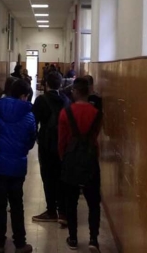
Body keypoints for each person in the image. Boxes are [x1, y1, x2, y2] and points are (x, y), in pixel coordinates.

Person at [0, 79, 36, 253]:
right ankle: (20, 243)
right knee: (17, 205)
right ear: (24, 96)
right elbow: (31, 141)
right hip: (17, 166)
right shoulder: (29, 116)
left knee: (0, 204)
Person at [59, 78, 103, 253]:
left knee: (71, 202)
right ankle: (93, 239)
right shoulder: (97, 113)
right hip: (90, 159)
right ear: (88, 92)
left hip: (71, 160)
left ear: (76, 92)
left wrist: (64, 158)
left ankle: (73, 238)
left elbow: (62, 140)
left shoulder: (66, 113)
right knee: (94, 202)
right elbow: (95, 137)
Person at [31, 71, 70, 225]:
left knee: (48, 177)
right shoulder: (66, 100)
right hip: (63, 145)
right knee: (61, 176)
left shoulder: (41, 100)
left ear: (46, 84)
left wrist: (35, 138)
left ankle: (51, 210)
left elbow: (33, 122)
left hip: (47, 144)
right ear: (61, 84)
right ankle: (63, 212)